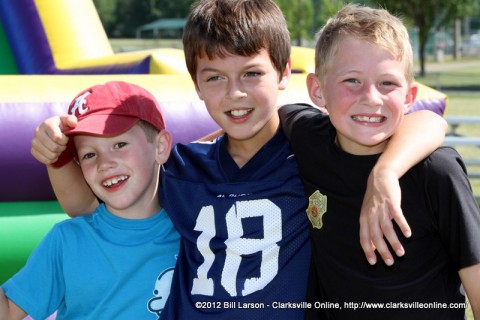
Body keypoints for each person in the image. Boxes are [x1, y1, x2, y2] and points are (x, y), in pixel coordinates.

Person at [30, 1, 447, 318]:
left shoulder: (312, 152)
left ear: (284, 73)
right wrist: (57, 153)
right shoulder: (180, 166)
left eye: (251, 73)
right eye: (215, 78)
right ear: (195, 84)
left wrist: (386, 172)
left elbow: (426, 121)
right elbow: (83, 206)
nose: (235, 93)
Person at [280, 4, 480, 319]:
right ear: (317, 91)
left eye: (387, 83)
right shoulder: (310, 139)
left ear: (409, 97)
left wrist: (384, 173)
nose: (371, 98)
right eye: (352, 81)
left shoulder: (436, 174)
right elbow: (259, 123)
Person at [1, 81, 179, 320]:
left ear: (160, 146)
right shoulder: (67, 240)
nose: (104, 163)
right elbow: (9, 308)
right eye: (89, 154)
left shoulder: (194, 229)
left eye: (119, 144)